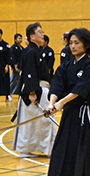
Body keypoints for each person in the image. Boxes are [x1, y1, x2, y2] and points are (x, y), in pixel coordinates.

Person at [38, 27, 90, 176]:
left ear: (87, 44)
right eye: (71, 43)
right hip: (70, 113)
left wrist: (61, 103)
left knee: (88, 150)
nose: (73, 46)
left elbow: (81, 88)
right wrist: (52, 103)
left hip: (87, 113)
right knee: (61, 148)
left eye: (76, 43)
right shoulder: (66, 66)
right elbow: (57, 84)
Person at [12, 23, 57, 158]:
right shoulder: (31, 51)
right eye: (40, 32)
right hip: (35, 90)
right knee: (44, 121)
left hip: (39, 89)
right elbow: (29, 73)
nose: (43, 34)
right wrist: (32, 92)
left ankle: (41, 148)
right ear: (32, 37)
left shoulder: (34, 50)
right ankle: (30, 149)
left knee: (37, 122)